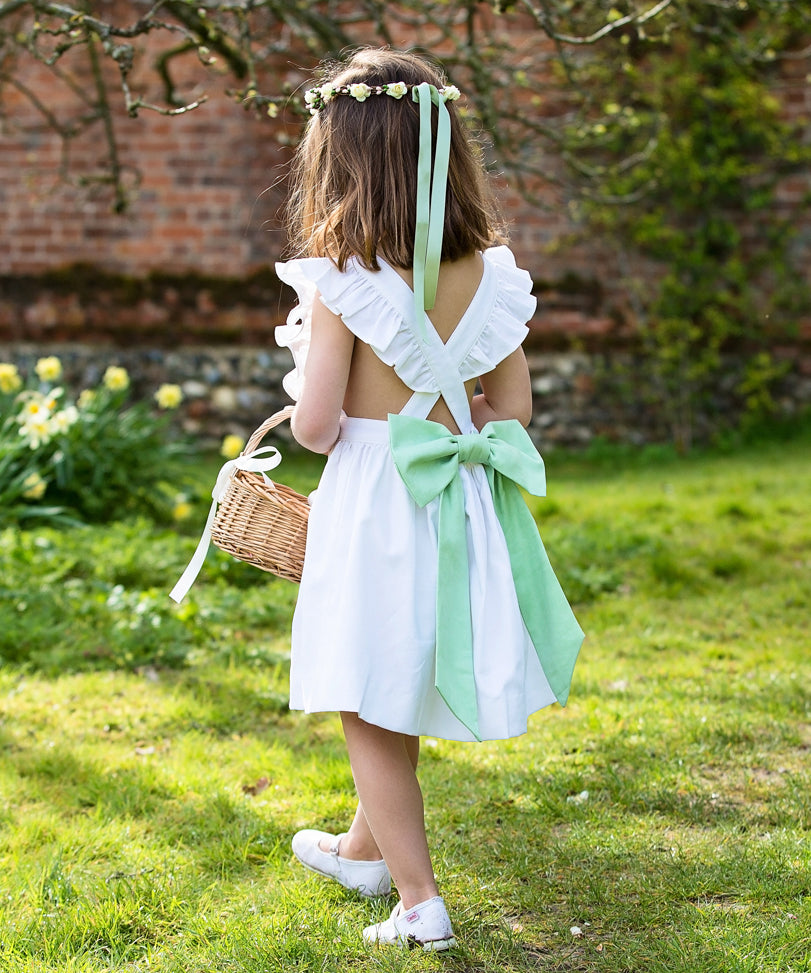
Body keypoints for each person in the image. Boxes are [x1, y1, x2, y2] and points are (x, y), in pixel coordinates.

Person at [274, 47, 584, 951]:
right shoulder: (487, 271)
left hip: (375, 496)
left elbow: (318, 427)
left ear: (341, 157)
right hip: (454, 496)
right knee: (396, 672)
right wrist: (453, 410)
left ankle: (418, 901)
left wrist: (309, 402)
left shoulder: (341, 279)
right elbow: (515, 408)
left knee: (361, 692)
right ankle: (366, 848)